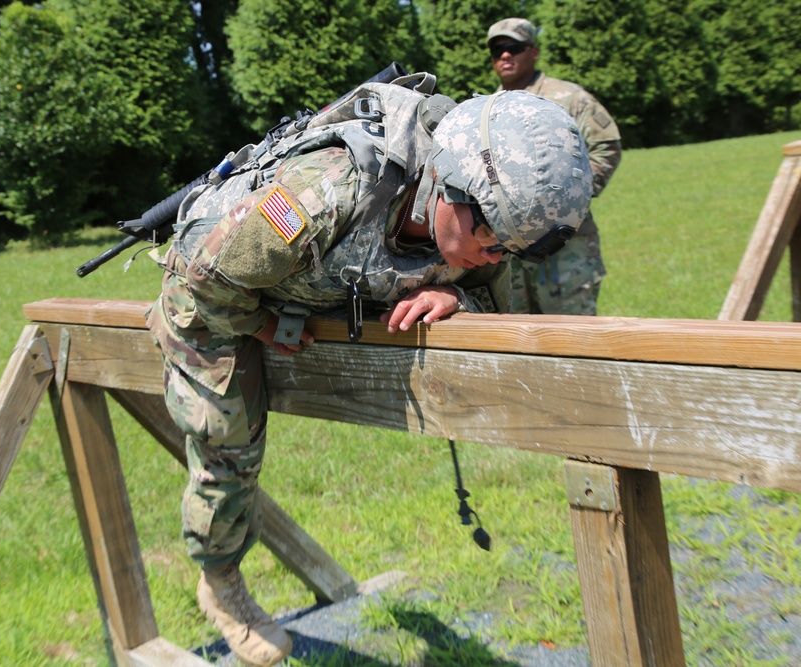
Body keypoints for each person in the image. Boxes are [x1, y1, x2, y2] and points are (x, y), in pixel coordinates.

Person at [147, 80, 591, 666]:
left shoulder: (480, 230)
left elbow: (501, 307)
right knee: (227, 441)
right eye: (491, 237)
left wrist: (462, 303)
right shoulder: (326, 189)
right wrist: (261, 327)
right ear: (449, 187)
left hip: (314, 284)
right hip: (218, 300)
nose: (496, 255)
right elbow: (209, 275)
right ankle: (221, 583)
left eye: (513, 248)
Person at [486, 17, 622, 315]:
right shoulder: (487, 109)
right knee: (517, 342)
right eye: (498, 51)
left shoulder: (570, 98)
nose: (505, 55)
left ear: (533, 51)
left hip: (565, 247)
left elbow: (606, 147)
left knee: (574, 341)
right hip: (509, 253)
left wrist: (572, 196)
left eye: (514, 47)